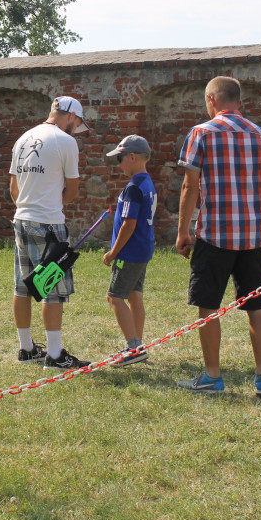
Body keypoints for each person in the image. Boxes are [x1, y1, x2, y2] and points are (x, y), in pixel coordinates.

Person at [175, 76, 261, 396]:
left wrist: (182, 231)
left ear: (211, 99)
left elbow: (190, 186)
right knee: (257, 307)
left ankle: (212, 376)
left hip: (215, 235)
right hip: (253, 236)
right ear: (239, 101)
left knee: (208, 306)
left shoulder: (202, 133)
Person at [9, 96, 91, 369]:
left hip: (21, 218)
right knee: (52, 289)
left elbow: (14, 189)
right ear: (71, 116)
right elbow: (72, 190)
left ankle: (26, 348)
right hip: (49, 223)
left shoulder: (23, 138)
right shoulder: (67, 142)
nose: (76, 129)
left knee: (23, 286)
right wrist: (52, 203)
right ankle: (55, 355)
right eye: (77, 123)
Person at [102, 135, 157, 366]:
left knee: (114, 297)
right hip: (143, 250)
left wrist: (113, 253)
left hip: (129, 253)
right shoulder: (147, 182)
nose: (120, 164)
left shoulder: (133, 188)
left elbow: (128, 224)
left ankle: (133, 347)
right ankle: (138, 345)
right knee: (135, 296)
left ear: (132, 157)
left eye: (120, 159)